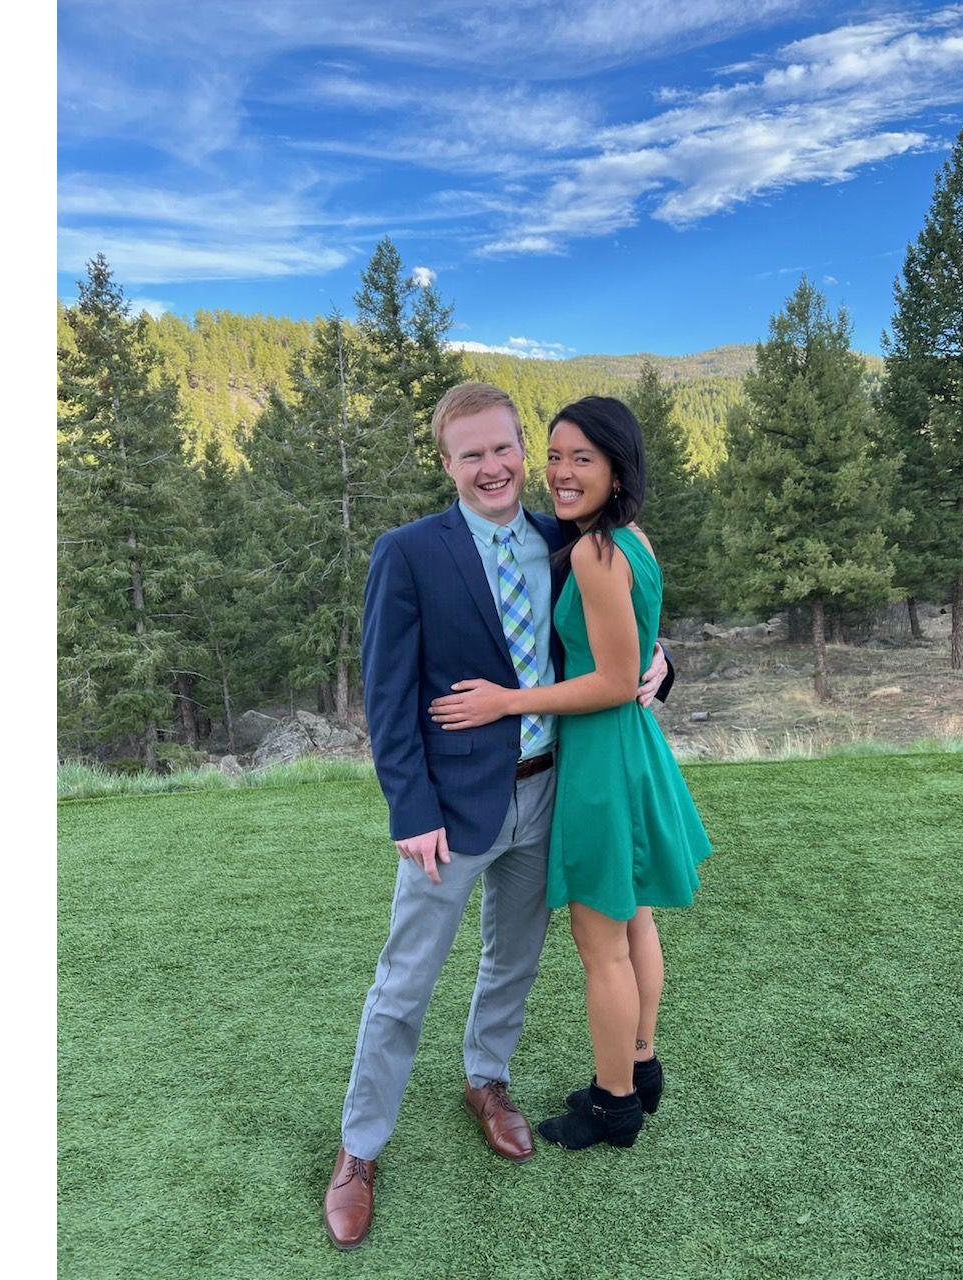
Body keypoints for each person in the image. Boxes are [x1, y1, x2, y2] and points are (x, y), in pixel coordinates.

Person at [323, 383, 674, 1251]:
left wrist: (665, 660)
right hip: (448, 813)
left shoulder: (564, 538)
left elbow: (614, 632)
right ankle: (360, 1149)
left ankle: (487, 1080)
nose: (493, 467)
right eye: (471, 453)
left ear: (523, 449)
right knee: (404, 985)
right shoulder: (407, 553)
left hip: (550, 792)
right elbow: (386, 695)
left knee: (512, 961)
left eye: (504, 448)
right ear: (446, 462)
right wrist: (411, 810)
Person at [429, 395, 712, 1152]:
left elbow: (617, 679)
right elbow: (636, 649)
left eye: (581, 458)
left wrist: (506, 701)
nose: (560, 472)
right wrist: (654, 659)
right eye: (553, 456)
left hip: (599, 760)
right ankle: (641, 1065)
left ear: (618, 468)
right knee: (635, 917)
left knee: (601, 943)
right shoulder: (628, 539)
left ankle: (614, 1103)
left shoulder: (593, 553)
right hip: (630, 749)